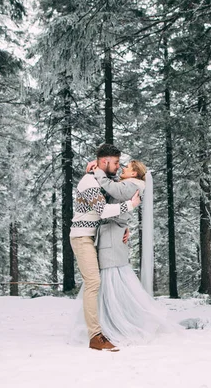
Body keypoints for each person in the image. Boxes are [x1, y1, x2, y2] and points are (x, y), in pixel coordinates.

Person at [87, 156, 179, 346]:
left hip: (112, 236)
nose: (122, 169)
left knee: (112, 277)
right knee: (113, 278)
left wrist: (97, 171)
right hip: (113, 232)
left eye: (127, 167)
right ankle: (111, 320)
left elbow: (112, 190)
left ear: (135, 172)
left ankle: (117, 321)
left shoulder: (132, 184)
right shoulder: (131, 184)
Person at [69, 144, 141, 351]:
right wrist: (130, 205)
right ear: (104, 161)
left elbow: (112, 203)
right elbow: (102, 210)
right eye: (116, 162)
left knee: (97, 284)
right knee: (93, 282)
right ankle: (95, 336)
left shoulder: (100, 179)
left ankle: (107, 326)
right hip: (82, 237)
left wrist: (125, 226)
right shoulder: (88, 181)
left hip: (94, 238)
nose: (119, 167)